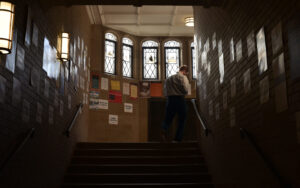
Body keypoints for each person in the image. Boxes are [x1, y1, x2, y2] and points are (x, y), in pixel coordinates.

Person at [161, 65, 190, 142]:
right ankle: (177, 139)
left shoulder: (168, 79)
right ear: (184, 71)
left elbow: (164, 91)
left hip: (170, 99)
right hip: (180, 99)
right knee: (182, 120)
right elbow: (186, 90)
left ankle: (163, 130)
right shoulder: (183, 77)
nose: (186, 74)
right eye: (186, 73)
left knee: (168, 118)